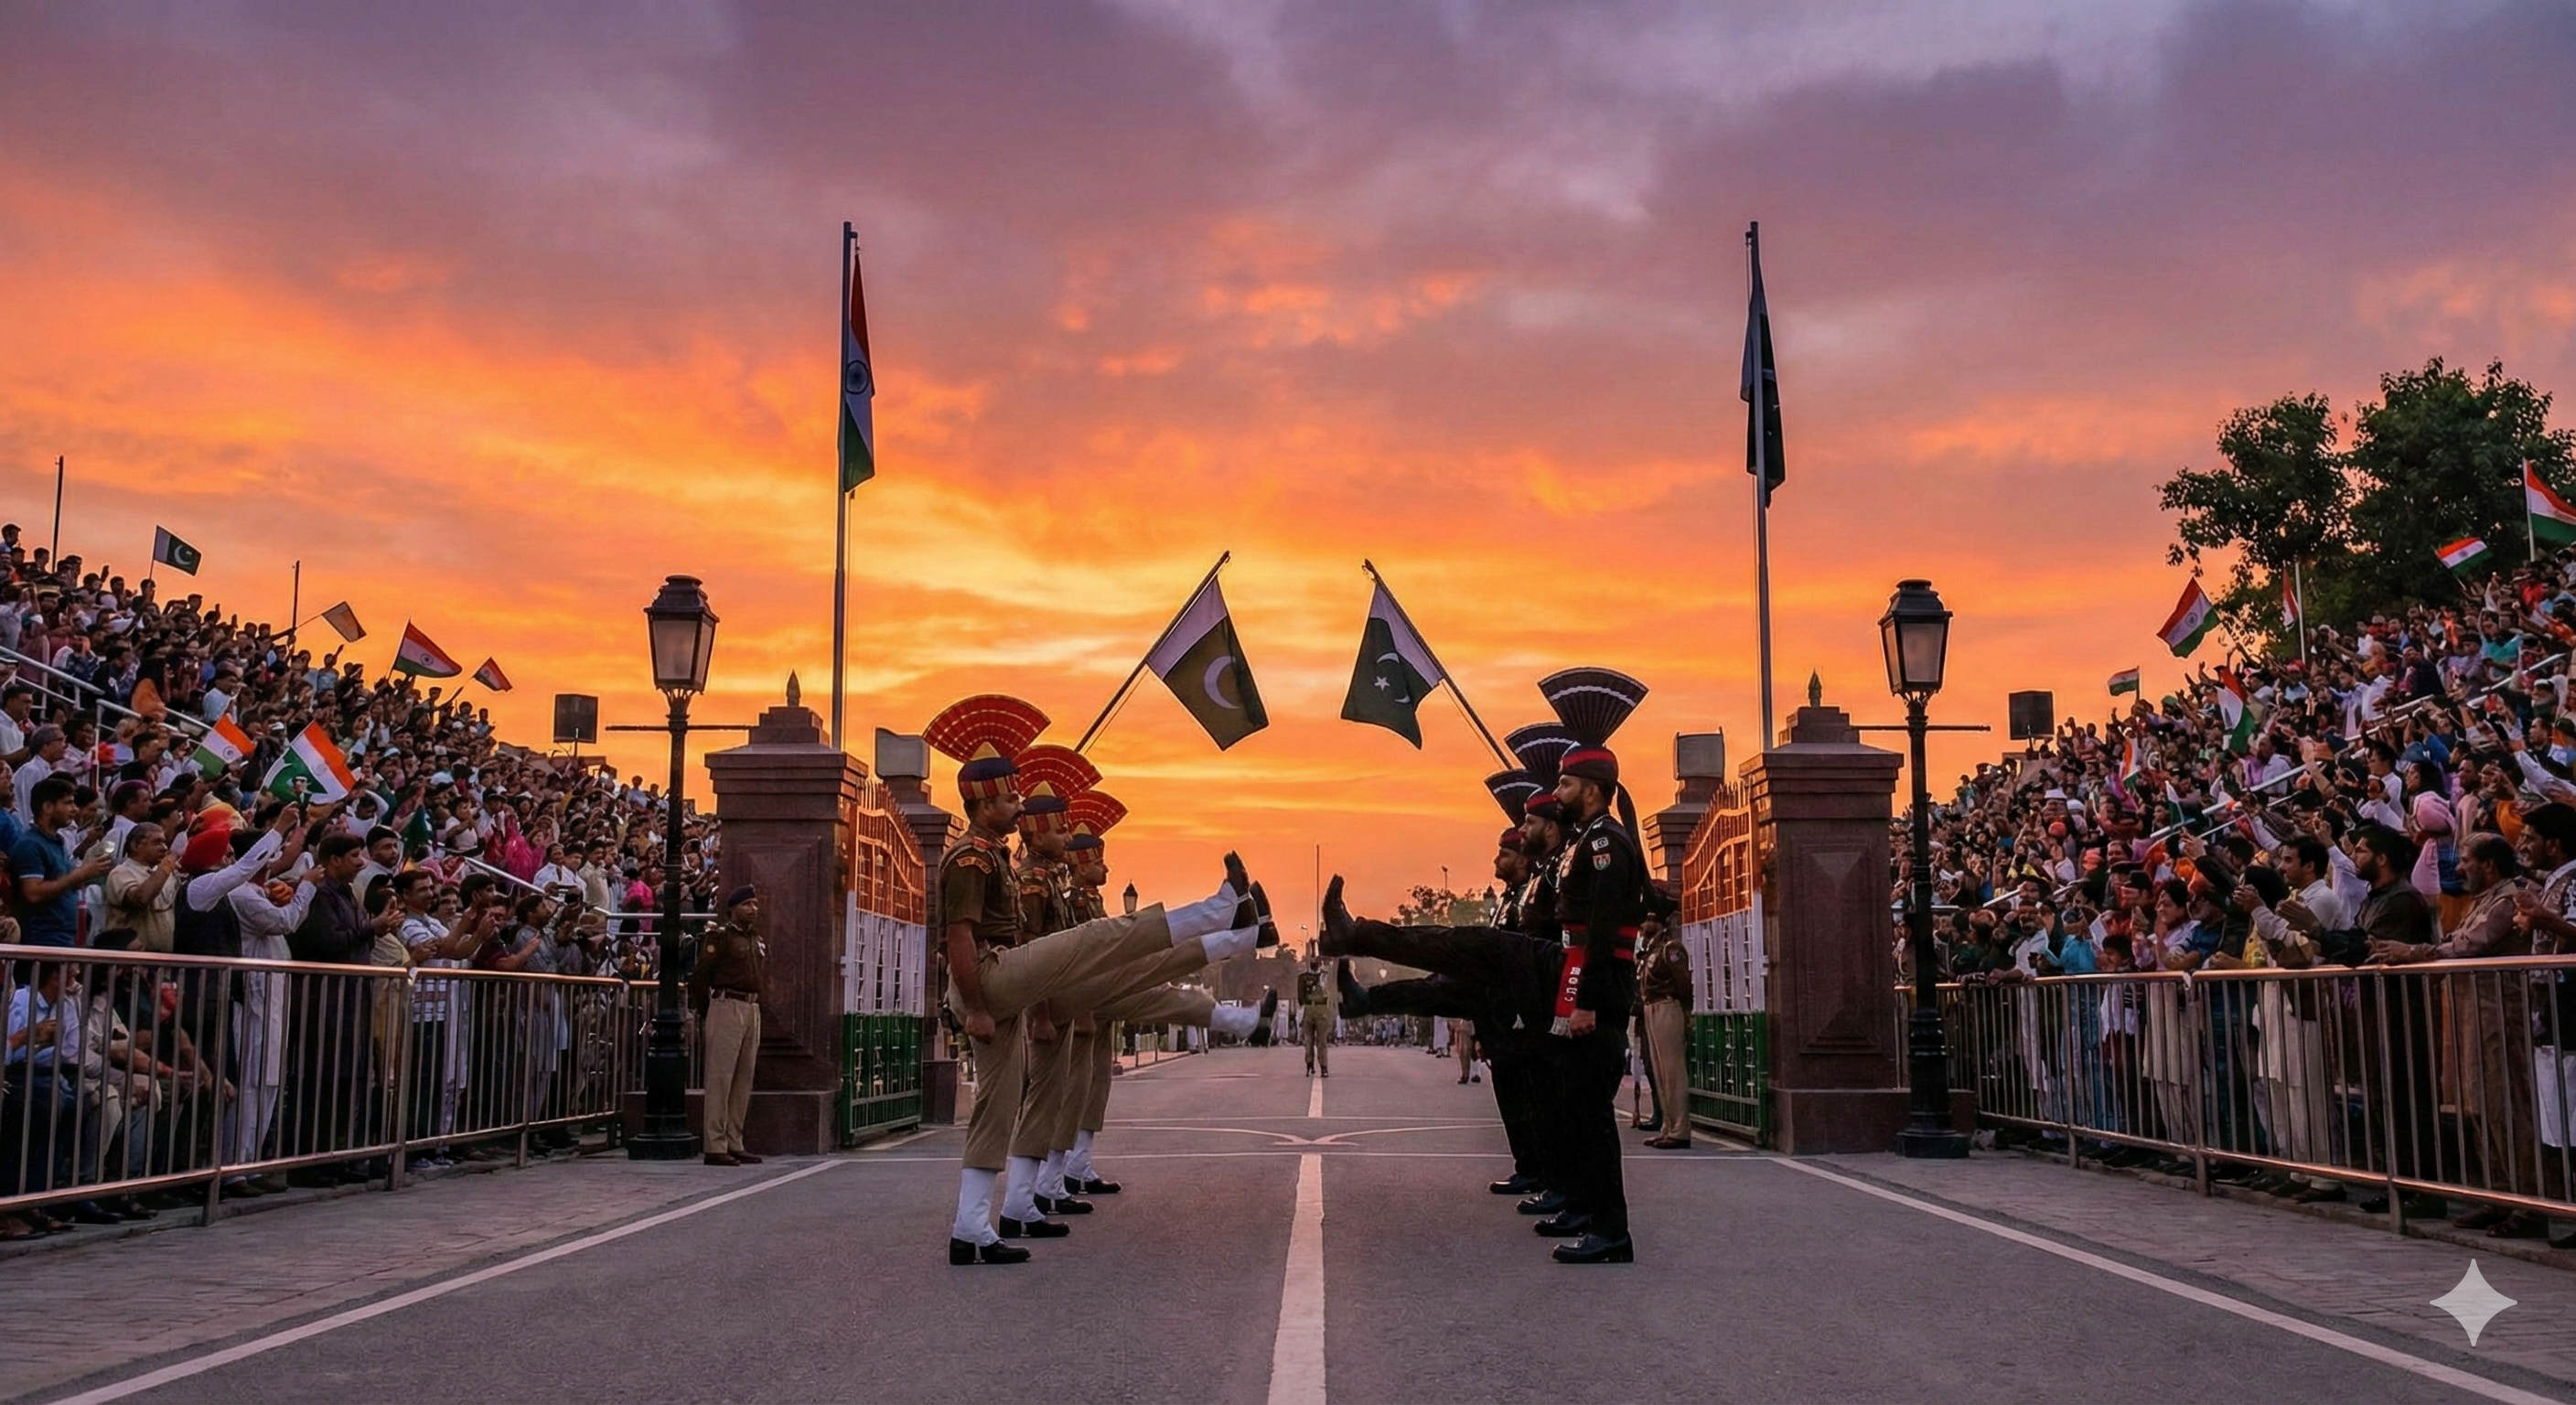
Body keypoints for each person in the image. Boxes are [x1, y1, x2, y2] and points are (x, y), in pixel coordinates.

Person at [927, 696, 1271, 1266]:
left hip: (1006, 983)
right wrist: (980, 1006)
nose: (1016, 806)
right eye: (1009, 797)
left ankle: (974, 1227)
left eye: (1018, 797)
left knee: (1001, 1099)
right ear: (982, 803)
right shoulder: (970, 859)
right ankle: (1219, 915)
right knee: (1100, 945)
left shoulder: (993, 856)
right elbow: (958, 938)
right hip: (989, 977)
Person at [687, 885, 767, 1167]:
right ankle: (715, 1143)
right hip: (726, 1004)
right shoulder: (720, 937)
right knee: (720, 1079)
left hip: (751, 1007)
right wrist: (709, 1011)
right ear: (732, 909)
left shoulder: (755, 938)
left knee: (743, 1079)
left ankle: (735, 1140)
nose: (753, 909)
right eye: (747, 904)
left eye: (755, 904)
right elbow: (700, 977)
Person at [1637, 906, 1692, 1149]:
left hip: (1668, 1006)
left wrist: (1686, 1012)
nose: (1643, 924)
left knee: (1672, 1071)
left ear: (1657, 921)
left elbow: (1683, 983)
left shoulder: (1672, 949)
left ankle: (1680, 1130)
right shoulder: (1651, 949)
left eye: (1647, 919)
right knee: (1660, 1073)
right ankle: (1667, 1127)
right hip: (1651, 1007)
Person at [1299, 958, 1332, 1078]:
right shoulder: (1303, 978)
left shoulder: (1325, 976)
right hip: (1309, 1010)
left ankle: (1324, 1066)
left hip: (1321, 1010)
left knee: (1322, 1041)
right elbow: (1301, 998)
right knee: (1309, 1041)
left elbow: (1330, 993)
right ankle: (1309, 1063)